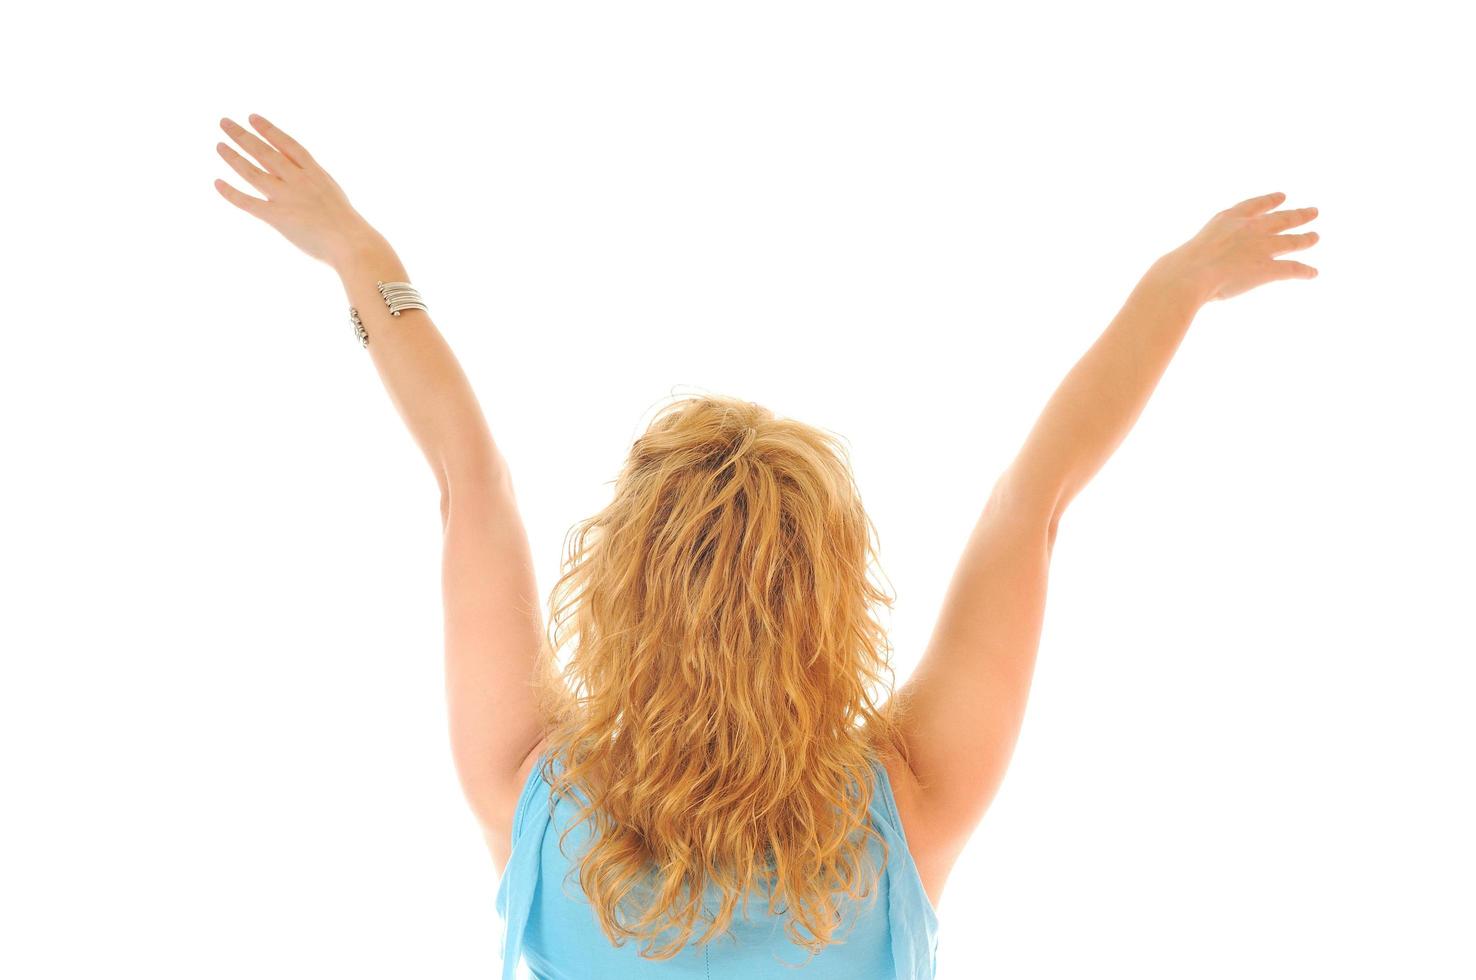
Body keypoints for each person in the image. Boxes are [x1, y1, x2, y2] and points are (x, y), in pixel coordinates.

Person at [214, 113, 1320, 979]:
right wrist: (1180, 287)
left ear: (617, 591)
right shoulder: (910, 804)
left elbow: (468, 472)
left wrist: (357, 252)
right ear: (832, 608)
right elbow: (1032, 501)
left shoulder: (530, 794)